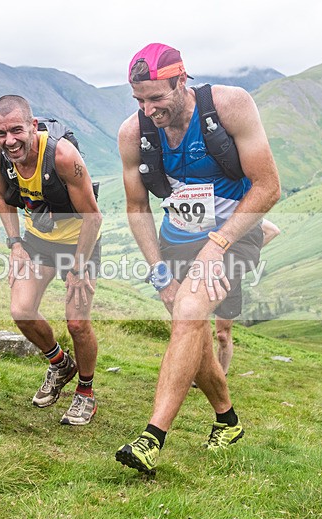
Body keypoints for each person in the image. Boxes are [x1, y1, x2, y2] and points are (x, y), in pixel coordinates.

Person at [114, 43, 281, 474]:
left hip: (233, 235)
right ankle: (227, 421)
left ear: (181, 81)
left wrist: (217, 245)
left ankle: (152, 437)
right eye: (139, 100)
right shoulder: (134, 133)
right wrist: (159, 272)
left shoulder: (230, 106)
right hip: (176, 241)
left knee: (190, 312)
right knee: (195, 336)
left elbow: (267, 187)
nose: (149, 110)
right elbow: (137, 207)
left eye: (156, 98)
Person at [0, 95, 102, 426]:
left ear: (32, 126)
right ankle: (60, 363)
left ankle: (86, 393)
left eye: (16, 130)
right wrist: (14, 244)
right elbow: (2, 198)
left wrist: (78, 269)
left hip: (80, 240)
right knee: (21, 311)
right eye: (0, 133)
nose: (9, 141)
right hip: (37, 240)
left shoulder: (62, 156)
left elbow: (93, 217)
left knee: (77, 322)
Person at [214, 218, 281, 375]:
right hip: (205, 271)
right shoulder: (218, 209)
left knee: (222, 335)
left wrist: (252, 252)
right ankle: (200, 372)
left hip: (230, 280)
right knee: (195, 327)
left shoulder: (247, 218)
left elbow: (273, 230)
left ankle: (220, 374)